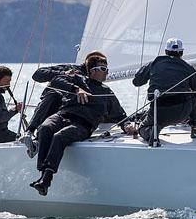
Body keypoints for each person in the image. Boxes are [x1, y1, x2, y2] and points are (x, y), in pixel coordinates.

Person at [30, 55, 136, 196]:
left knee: (59, 137)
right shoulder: (78, 79)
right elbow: (56, 81)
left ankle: (46, 180)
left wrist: (127, 125)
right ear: (92, 70)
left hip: (83, 125)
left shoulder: (107, 92)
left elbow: (121, 116)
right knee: (44, 128)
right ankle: (42, 175)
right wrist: (76, 89)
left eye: (107, 69)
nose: (107, 72)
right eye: (103, 69)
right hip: (63, 115)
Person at [18, 50, 105, 157]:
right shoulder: (71, 69)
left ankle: (39, 142)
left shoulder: (98, 83)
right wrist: (63, 73)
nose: (103, 70)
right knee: (54, 95)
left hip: (76, 117)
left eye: (104, 67)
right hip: (57, 107)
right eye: (100, 66)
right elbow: (37, 75)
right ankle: (30, 133)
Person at [132, 38, 196, 145]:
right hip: (182, 113)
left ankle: (152, 132)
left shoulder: (154, 63)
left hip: (158, 113)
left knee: (142, 128)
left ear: (166, 51)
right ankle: (195, 129)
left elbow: (137, 82)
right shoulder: (187, 67)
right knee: (193, 95)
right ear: (181, 52)